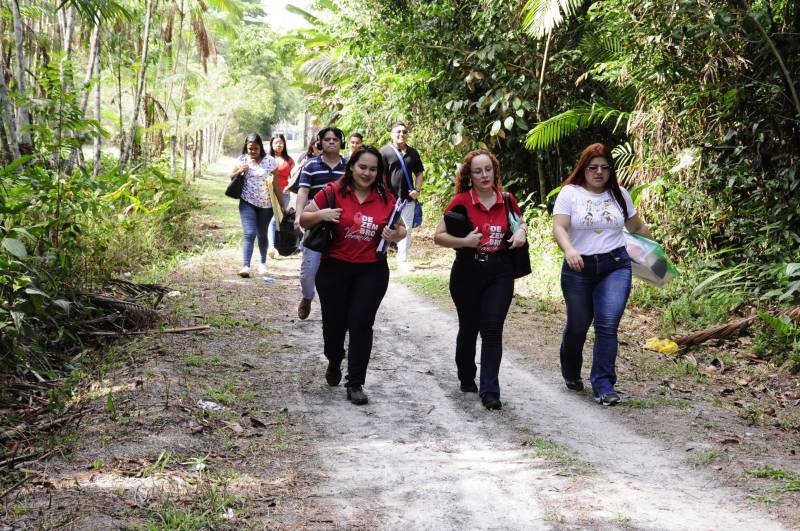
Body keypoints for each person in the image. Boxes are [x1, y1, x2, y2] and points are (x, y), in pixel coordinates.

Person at [299, 145, 406, 405]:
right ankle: (334, 359)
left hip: (371, 269)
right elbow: (304, 218)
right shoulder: (333, 191)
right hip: (334, 267)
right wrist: (321, 215)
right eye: (362, 167)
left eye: (373, 169)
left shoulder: (386, 198)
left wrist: (395, 235)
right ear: (352, 167)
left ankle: (355, 382)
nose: (367, 173)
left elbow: (401, 229)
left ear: (379, 172)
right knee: (334, 326)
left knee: (361, 323)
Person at [552, 143, 652, 406]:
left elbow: (636, 225)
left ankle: (604, 384)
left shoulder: (619, 194)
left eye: (604, 168)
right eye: (593, 167)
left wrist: (655, 253)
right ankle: (571, 372)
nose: (598, 172)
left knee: (607, 325)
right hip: (578, 268)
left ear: (611, 170)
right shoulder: (569, 194)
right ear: (583, 168)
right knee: (578, 325)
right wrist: (570, 249)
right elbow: (560, 227)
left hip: (615, 265)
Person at [433, 149, 528, 410]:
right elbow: (438, 235)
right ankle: (466, 375)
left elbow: (520, 223)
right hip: (467, 270)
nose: (484, 175)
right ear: (469, 175)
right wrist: (464, 242)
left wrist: (521, 233)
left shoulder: (507, 200)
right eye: (478, 171)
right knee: (469, 326)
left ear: (494, 171)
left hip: (500, 271)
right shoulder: (461, 201)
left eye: (488, 169)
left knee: (492, 328)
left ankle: (490, 390)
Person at [294, 127, 347, 320]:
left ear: (342, 142)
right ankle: (307, 297)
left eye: (335, 139)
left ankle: (338, 309)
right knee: (309, 270)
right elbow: (302, 192)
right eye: (327, 139)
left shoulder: (350, 166)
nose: (331, 142)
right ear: (320, 143)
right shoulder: (310, 166)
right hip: (315, 223)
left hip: (343, 225)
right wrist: (299, 217)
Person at [230, 133, 281, 278]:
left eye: (255, 149)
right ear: (246, 148)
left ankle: (262, 264)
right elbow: (231, 176)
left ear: (261, 148)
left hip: (266, 205)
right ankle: (246, 266)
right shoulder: (242, 159)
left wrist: (281, 205)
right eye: (250, 148)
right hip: (247, 202)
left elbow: (276, 184)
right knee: (249, 233)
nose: (252, 151)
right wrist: (241, 170)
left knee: (262, 234)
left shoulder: (270, 161)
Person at [380, 122, 424, 272]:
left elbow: (419, 173)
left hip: (407, 199)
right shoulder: (384, 152)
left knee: (407, 229)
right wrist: (383, 194)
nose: (401, 134)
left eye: (404, 132)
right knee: (385, 227)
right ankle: (380, 256)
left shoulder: (413, 152)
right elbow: (380, 175)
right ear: (391, 134)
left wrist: (417, 190)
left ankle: (403, 261)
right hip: (389, 199)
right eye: (398, 132)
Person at [267, 134, 295, 259]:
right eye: (276, 143)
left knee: (279, 219)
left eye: (281, 143)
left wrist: (290, 187)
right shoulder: (267, 158)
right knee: (272, 219)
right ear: (272, 145)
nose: (279, 145)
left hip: (284, 193)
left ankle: (277, 245)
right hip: (269, 193)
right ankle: (271, 247)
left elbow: (293, 176)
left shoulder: (289, 160)